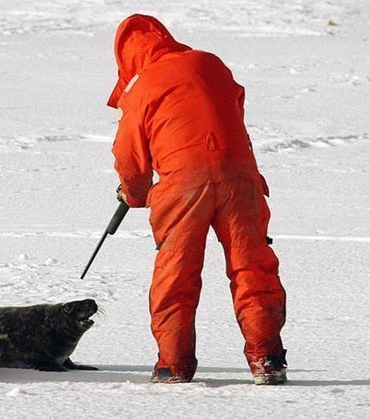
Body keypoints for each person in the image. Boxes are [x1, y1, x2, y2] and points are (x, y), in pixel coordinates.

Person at [106, 14, 287, 385]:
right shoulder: (210, 63)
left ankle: (174, 366)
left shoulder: (140, 88)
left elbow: (130, 158)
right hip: (241, 179)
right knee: (252, 267)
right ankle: (266, 358)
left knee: (177, 273)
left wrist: (134, 194)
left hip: (183, 185)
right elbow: (232, 110)